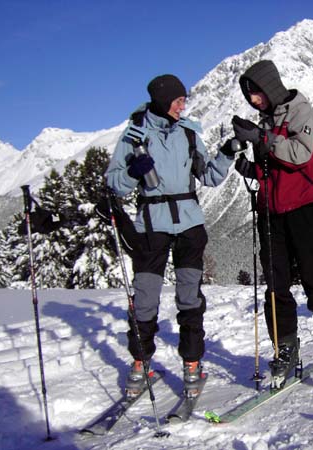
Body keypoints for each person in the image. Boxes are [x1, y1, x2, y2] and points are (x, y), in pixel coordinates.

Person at [105, 74, 242, 397]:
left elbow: (208, 175)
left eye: (183, 100)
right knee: (145, 298)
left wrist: (227, 151)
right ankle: (140, 364)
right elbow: (115, 183)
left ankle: (191, 365)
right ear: (163, 100)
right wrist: (131, 172)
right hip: (151, 224)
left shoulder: (190, 133)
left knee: (189, 298)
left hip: (190, 224)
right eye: (179, 100)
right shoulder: (134, 134)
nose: (184, 105)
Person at [232, 60, 313, 389]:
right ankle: (285, 347)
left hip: (303, 208)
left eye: (255, 93)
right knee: (275, 286)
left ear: (269, 87)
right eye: (248, 96)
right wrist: (248, 168)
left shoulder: (300, 112)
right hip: (271, 211)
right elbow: (272, 173)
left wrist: (262, 138)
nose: (253, 101)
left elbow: (300, 155)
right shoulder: (266, 122)